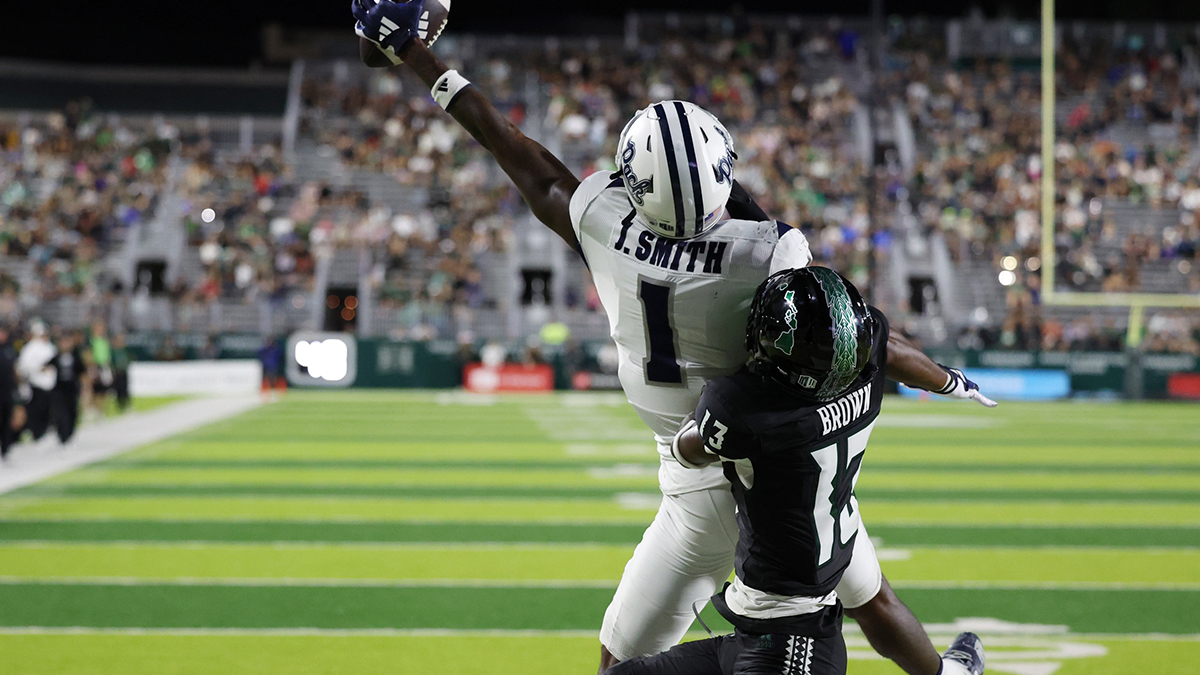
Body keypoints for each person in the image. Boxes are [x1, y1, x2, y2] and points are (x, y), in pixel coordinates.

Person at [353, 7, 997, 675]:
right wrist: (946, 377)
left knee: (621, 660)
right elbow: (848, 334)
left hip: (700, 483)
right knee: (869, 596)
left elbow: (520, 156)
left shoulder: (605, 225)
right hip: (786, 466)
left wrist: (418, 56)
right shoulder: (767, 251)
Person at [611, 267, 988, 675]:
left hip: (792, 641)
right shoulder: (864, 368)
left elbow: (688, 452)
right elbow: (891, 349)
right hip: (774, 610)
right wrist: (951, 382)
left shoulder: (748, 411)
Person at [15, 320, 55, 442]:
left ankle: (44, 431)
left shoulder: (48, 346)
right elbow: (24, 366)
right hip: (36, 384)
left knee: (47, 411)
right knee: (36, 411)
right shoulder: (30, 348)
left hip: (49, 385)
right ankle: (36, 433)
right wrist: (39, 368)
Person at [49, 331, 87, 446]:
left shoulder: (76, 356)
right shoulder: (56, 357)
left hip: (72, 390)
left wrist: (85, 389)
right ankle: (62, 436)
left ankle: (70, 434)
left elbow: (82, 373)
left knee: (72, 412)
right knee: (60, 413)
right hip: (59, 390)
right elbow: (46, 368)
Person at [0, 324, 17, 462]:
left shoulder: (10, 349)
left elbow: (15, 371)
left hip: (7, 392)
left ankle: (5, 449)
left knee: (7, 421)